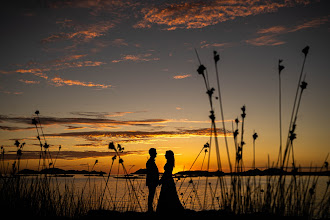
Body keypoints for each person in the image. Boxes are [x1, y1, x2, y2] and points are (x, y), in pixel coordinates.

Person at [156, 150, 184, 214]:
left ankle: (165, 210)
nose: (165, 155)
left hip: (167, 181)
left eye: (166, 154)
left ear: (168, 155)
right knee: (170, 195)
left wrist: (161, 180)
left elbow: (166, 173)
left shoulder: (169, 163)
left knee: (167, 194)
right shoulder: (170, 163)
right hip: (168, 180)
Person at [146, 148, 159, 212]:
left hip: (152, 181)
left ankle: (150, 208)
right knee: (151, 195)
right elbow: (151, 173)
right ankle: (150, 209)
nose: (156, 153)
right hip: (151, 182)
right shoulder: (150, 162)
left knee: (151, 195)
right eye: (155, 152)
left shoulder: (151, 161)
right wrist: (155, 180)